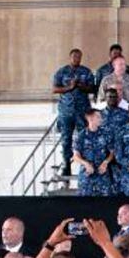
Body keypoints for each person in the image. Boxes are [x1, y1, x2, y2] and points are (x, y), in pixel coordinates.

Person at [53, 48, 95, 176]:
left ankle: (85, 164)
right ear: (70, 57)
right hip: (66, 111)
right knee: (66, 138)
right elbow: (55, 89)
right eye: (74, 56)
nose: (76, 59)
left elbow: (93, 88)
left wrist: (81, 86)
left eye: (79, 57)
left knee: (85, 138)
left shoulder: (86, 72)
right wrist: (69, 87)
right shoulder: (62, 72)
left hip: (82, 111)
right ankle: (66, 164)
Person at [73, 108, 115, 197]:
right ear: (90, 118)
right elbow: (76, 156)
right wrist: (85, 163)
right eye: (98, 117)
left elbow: (112, 152)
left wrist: (106, 162)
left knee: (104, 204)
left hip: (102, 174)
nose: (101, 119)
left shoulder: (105, 134)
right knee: (85, 206)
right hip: (87, 175)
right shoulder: (81, 135)